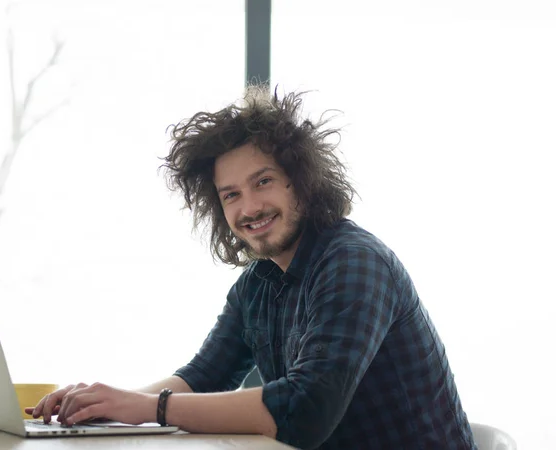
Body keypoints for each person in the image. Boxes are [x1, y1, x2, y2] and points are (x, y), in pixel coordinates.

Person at [27, 86, 477, 450]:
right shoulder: (256, 285)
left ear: (302, 182)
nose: (250, 207)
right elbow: (201, 378)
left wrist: (147, 407)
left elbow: (305, 412)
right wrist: (101, 407)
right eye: (231, 195)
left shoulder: (354, 262)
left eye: (262, 182)